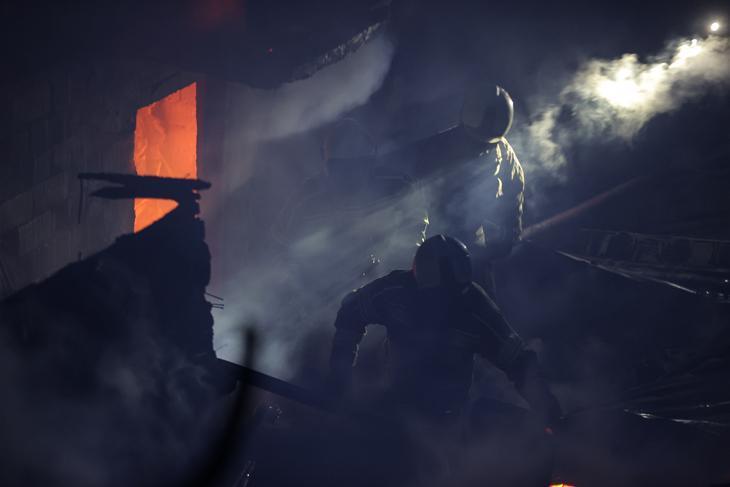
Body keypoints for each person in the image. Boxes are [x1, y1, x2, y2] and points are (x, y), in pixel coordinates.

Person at [328, 234, 560, 428]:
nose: (445, 305)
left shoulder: (475, 307)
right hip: (395, 402)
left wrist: (547, 407)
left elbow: (516, 360)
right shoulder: (394, 292)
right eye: (438, 297)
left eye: (452, 296)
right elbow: (351, 311)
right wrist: (340, 376)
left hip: (449, 416)